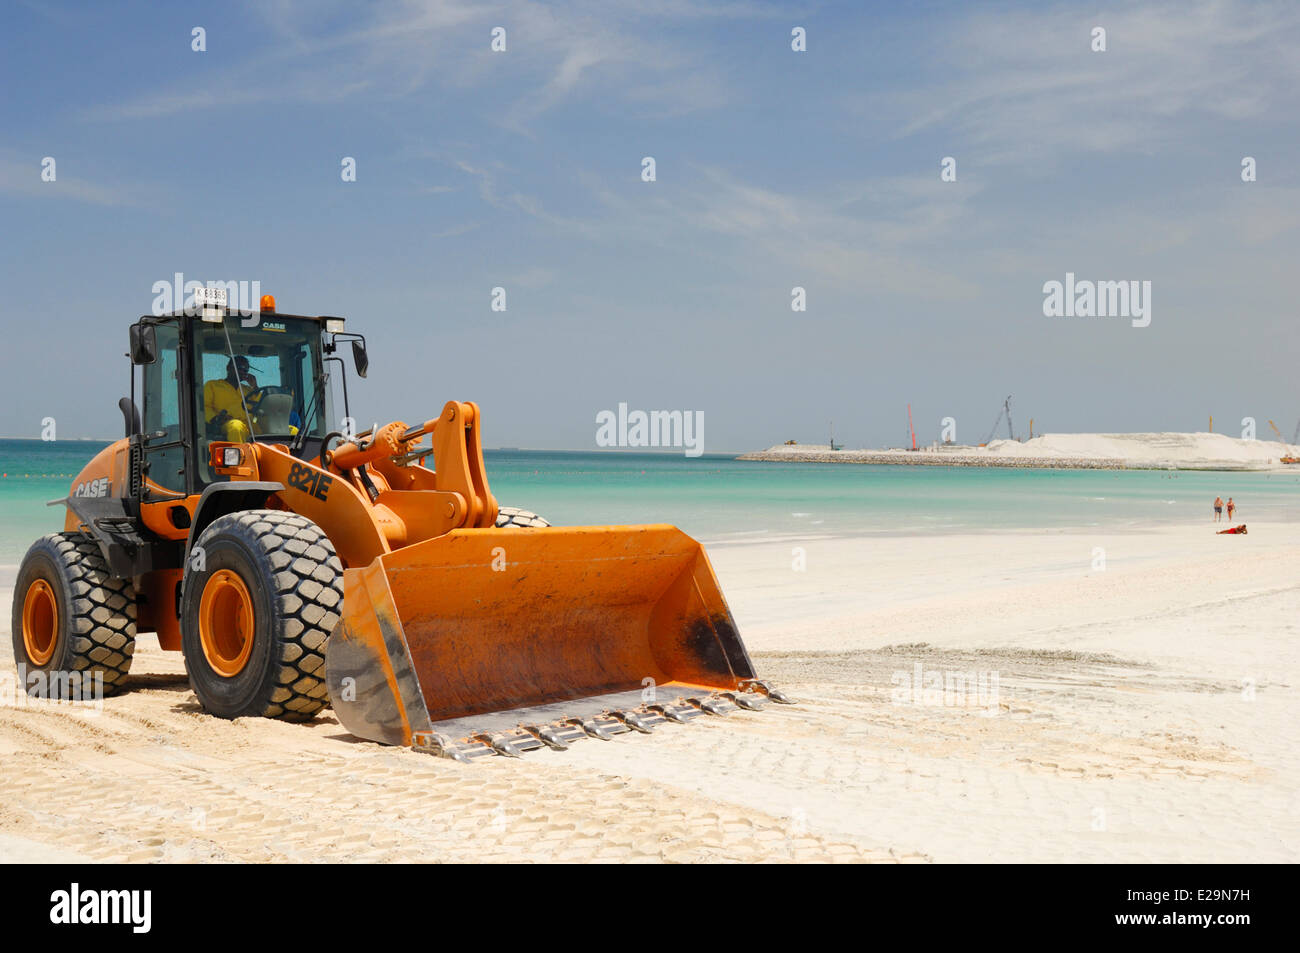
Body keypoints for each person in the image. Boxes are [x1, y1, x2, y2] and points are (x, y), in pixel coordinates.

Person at [204, 356, 258, 441]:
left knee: (281, 428)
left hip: (249, 424)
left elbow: (263, 406)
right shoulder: (213, 385)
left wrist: (255, 387)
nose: (243, 372)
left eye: (246, 370)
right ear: (228, 368)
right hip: (226, 423)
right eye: (240, 368)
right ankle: (239, 454)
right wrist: (216, 418)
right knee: (236, 427)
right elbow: (204, 407)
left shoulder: (249, 390)